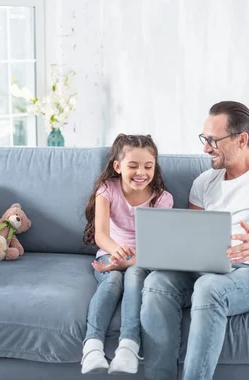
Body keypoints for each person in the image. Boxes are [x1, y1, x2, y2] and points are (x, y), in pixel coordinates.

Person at [140, 101, 249, 380]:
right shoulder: (204, 183)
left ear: (241, 139)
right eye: (204, 139)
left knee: (210, 288)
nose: (205, 147)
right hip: (211, 268)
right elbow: (191, 235)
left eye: (213, 140)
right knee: (157, 283)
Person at [81, 133, 173, 375]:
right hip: (109, 254)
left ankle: (128, 348)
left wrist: (128, 261)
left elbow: (157, 248)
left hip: (142, 260)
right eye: (133, 166)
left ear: (155, 167)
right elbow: (101, 235)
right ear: (118, 166)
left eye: (148, 166)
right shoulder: (107, 190)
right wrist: (115, 253)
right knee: (111, 280)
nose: (141, 172)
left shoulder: (163, 199)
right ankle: (92, 349)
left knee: (133, 275)